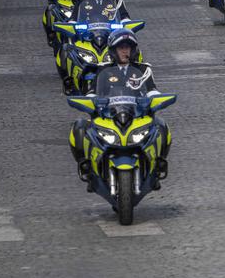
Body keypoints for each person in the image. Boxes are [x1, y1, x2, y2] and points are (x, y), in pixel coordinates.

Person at [69, 29, 167, 186]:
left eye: (128, 47)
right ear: (113, 50)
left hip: (137, 117)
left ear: (133, 50)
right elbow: (92, 93)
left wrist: (155, 99)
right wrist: (91, 102)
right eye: (121, 47)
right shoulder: (102, 70)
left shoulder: (143, 69)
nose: (124, 50)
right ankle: (87, 168)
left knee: (161, 126)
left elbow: (152, 90)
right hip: (109, 117)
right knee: (79, 127)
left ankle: (157, 169)